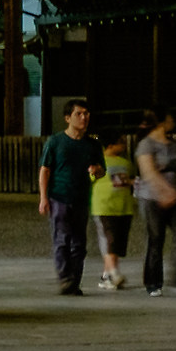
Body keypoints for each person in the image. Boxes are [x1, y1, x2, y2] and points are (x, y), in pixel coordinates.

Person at [38, 100, 103, 296]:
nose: (84, 118)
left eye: (86, 114)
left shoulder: (92, 144)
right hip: (59, 196)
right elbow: (45, 170)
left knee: (79, 244)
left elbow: (101, 170)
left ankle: (74, 281)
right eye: (79, 114)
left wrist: (97, 170)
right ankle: (65, 277)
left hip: (81, 198)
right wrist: (43, 197)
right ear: (68, 118)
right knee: (62, 240)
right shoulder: (55, 142)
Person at [135, 108, 176, 297]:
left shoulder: (173, 144)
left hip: (175, 198)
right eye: (170, 118)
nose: (173, 121)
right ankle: (153, 282)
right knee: (156, 240)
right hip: (152, 199)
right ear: (161, 121)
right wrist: (165, 192)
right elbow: (149, 173)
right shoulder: (146, 145)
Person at [91, 132, 137, 290]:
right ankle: (114, 273)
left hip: (123, 207)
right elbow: (89, 178)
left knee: (116, 242)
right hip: (103, 206)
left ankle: (107, 275)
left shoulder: (126, 163)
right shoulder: (97, 162)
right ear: (110, 145)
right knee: (109, 240)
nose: (124, 145)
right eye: (121, 142)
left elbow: (131, 180)